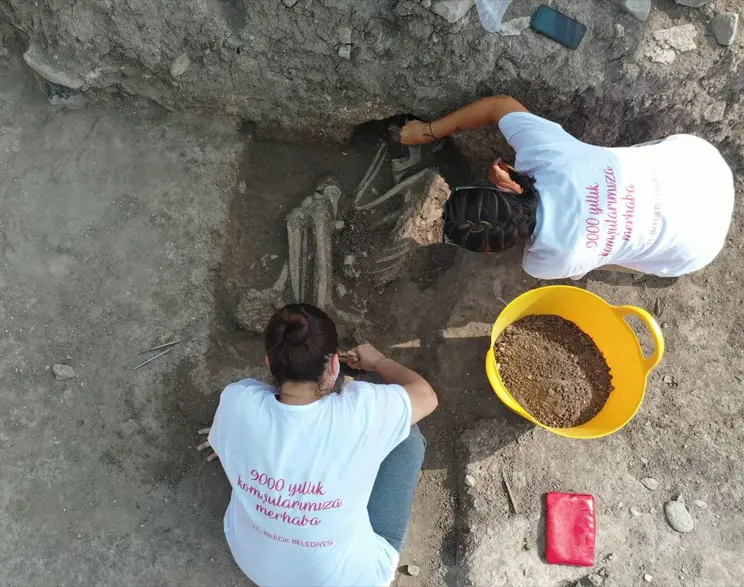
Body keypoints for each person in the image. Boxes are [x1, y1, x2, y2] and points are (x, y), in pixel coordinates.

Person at [196, 303, 438, 587]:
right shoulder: (363, 414)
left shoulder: (236, 403)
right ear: (335, 365)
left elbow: (243, 412)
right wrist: (377, 362)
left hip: (254, 563)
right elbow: (426, 397)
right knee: (407, 435)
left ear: (269, 363)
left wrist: (231, 437)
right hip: (350, 580)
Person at [399, 95, 735, 279]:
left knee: (606, 254)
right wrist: (426, 131)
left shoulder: (547, 263)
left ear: (491, 250)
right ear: (507, 187)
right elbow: (498, 105)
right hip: (700, 165)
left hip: (695, 250)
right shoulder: (550, 157)